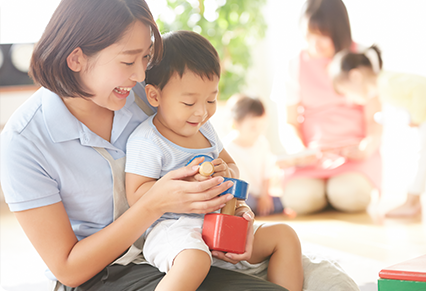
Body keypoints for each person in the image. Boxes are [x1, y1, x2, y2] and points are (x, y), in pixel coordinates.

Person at [0, 0, 361, 290]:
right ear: (76, 58)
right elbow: (68, 269)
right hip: (111, 271)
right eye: (128, 61)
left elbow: (224, 161)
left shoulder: (149, 93)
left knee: (336, 283)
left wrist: (232, 202)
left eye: (145, 59)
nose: (141, 76)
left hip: (205, 235)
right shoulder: (24, 141)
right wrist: (155, 203)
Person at [125, 30, 303, 291]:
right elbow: (136, 196)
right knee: (195, 260)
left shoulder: (205, 130)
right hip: (174, 228)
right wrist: (183, 186)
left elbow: (232, 166)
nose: (201, 111)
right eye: (188, 102)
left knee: (285, 236)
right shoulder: (148, 140)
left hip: (220, 220)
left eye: (211, 99)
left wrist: (226, 170)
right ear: (154, 96)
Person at [270, 0, 382, 215]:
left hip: (354, 154)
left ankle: (333, 192)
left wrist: (366, 148)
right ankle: (325, 192)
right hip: (312, 156)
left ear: (340, 31)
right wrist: (300, 151)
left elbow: (374, 118)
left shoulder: (363, 57)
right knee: (299, 199)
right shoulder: (292, 65)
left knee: (349, 195)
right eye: (309, 34)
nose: (315, 43)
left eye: (322, 35)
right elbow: (289, 123)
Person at [329, 45, 426, 218]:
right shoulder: (385, 87)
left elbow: (419, 88)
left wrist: (416, 117)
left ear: (355, 76)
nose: (349, 99)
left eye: (346, 92)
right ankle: (412, 201)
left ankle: (412, 202)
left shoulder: (386, 83)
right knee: (420, 158)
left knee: (421, 158)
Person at [223, 94, 292, 217]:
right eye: (253, 127)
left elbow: (267, 172)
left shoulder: (262, 143)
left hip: (261, 194)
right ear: (235, 125)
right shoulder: (227, 148)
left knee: (286, 200)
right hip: (241, 195)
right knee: (245, 202)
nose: (259, 132)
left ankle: (259, 208)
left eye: (262, 126)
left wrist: (265, 196)